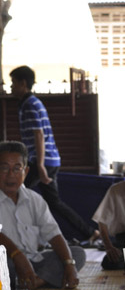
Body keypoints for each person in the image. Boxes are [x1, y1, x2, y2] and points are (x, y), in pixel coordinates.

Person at [9, 66, 99, 245]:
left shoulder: (31, 104)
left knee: (12, 192)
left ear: (23, 83)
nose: (11, 88)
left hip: (41, 160)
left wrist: (40, 165)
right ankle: (89, 232)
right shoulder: (26, 104)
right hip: (42, 160)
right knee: (51, 201)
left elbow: (39, 135)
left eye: (13, 83)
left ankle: (25, 237)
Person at [0, 141, 85, 290]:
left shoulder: (34, 200)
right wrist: (17, 255)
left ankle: (33, 281)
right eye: (4, 168)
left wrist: (69, 264)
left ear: (25, 172)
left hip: (33, 262)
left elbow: (53, 234)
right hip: (8, 262)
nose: (10, 175)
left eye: (17, 168)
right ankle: (40, 279)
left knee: (77, 254)